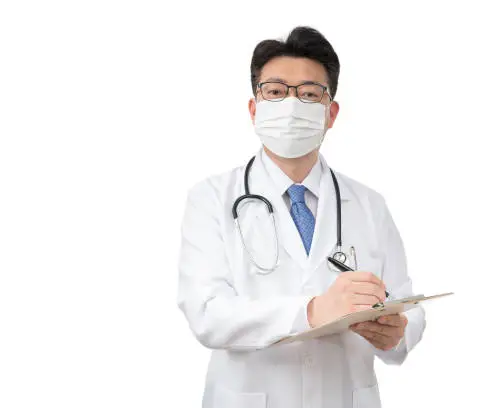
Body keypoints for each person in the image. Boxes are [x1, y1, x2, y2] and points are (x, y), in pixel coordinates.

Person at [177, 26, 426, 408]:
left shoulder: (370, 205)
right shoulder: (211, 198)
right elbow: (207, 313)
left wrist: (398, 333)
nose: (292, 105)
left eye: (309, 94)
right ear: (253, 108)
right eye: (275, 92)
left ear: (331, 113)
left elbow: (406, 303)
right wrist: (311, 312)